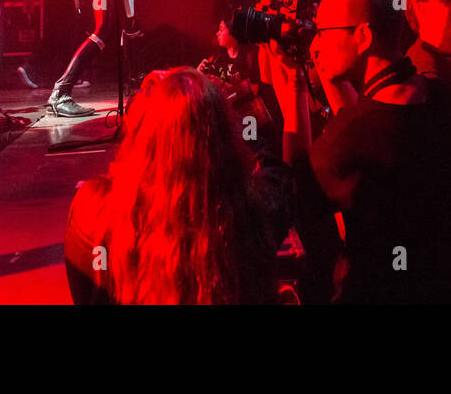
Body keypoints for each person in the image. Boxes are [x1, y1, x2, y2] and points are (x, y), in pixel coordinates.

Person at [269, 0, 451, 303]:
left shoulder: (350, 139)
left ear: (363, 36)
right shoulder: (447, 98)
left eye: (323, 32)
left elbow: (290, 191)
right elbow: (374, 114)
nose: (317, 44)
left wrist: (294, 85)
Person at [63, 67, 291, 304]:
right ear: (225, 140)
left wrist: (148, 105)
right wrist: (228, 106)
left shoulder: (95, 208)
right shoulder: (253, 211)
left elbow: (88, 294)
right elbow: (274, 167)